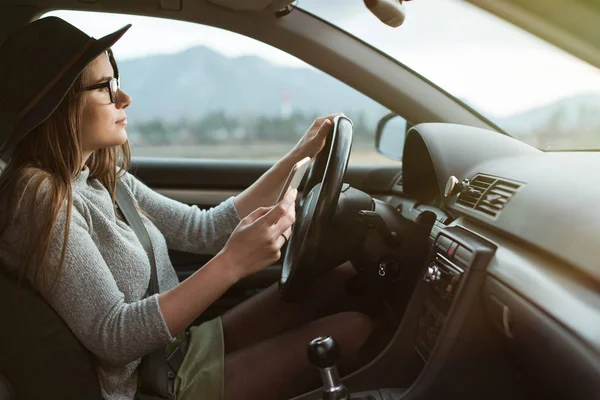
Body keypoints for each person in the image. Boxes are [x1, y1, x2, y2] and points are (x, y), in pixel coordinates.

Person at [0, 16, 373, 400]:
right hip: (153, 385)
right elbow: (115, 335)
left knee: (341, 274)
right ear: (59, 105)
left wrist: (302, 153)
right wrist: (234, 263)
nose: (124, 97)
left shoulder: (103, 177)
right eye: (106, 87)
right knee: (355, 330)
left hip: (173, 350)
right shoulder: (39, 198)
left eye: (118, 80)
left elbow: (204, 229)